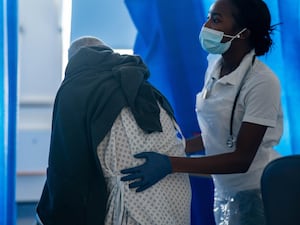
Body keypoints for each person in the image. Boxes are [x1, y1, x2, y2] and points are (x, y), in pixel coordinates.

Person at [121, 0, 283, 224]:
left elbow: (241, 159)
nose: (206, 26)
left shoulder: (262, 82)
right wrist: (178, 149)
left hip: (255, 193)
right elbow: (218, 132)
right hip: (224, 190)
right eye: (208, 17)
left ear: (243, 33)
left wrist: (171, 163)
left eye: (216, 20)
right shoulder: (215, 65)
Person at [36, 36, 191, 225]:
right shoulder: (144, 84)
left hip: (133, 205)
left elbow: (67, 165)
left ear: (74, 60)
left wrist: (53, 214)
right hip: (177, 198)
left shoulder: (76, 87)